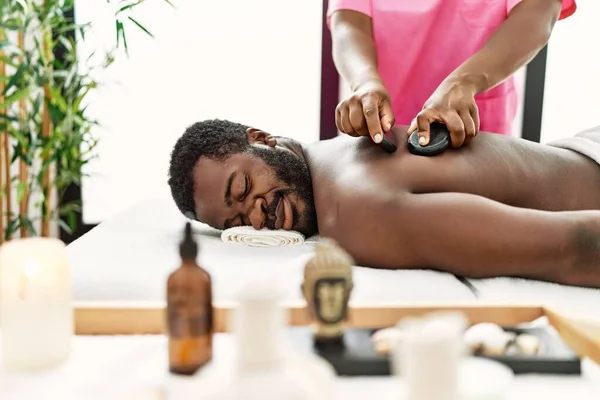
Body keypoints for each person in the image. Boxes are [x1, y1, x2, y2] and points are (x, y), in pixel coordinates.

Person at [168, 119, 600, 288]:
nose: (258, 216)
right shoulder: (336, 156)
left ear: (262, 139)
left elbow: (576, 248)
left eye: (244, 189)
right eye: (239, 221)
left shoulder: (355, 214)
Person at [328, 0, 577, 147]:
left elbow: (538, 10)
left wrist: (464, 82)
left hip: (476, 134)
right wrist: (365, 83)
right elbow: (349, 21)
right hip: (383, 128)